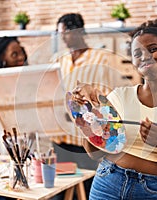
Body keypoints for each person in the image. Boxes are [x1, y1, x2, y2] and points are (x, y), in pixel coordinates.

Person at [71, 19, 157, 199]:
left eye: (153, 49)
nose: (145, 56)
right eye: (137, 53)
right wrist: (88, 122)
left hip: (152, 192)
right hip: (107, 184)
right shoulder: (119, 96)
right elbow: (95, 153)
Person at [51, 13, 118, 199]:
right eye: (60, 33)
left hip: (87, 138)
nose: (62, 37)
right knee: (61, 190)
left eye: (65, 32)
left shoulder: (101, 58)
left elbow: (106, 95)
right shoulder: (58, 59)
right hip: (60, 136)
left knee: (88, 188)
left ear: (79, 31)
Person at [0, 36, 28, 156]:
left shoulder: (25, 79)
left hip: (24, 146)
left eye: (21, 52)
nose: (21, 57)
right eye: (14, 54)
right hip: (0, 145)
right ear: (2, 57)